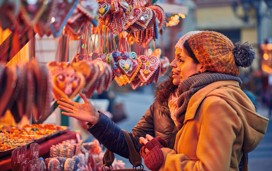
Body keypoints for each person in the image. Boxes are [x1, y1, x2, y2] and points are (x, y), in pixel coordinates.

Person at [57, 31, 269, 171]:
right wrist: (96, 119)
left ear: (203, 65)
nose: (173, 64)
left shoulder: (216, 105)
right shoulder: (168, 101)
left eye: (181, 59)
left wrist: (164, 158)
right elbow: (132, 144)